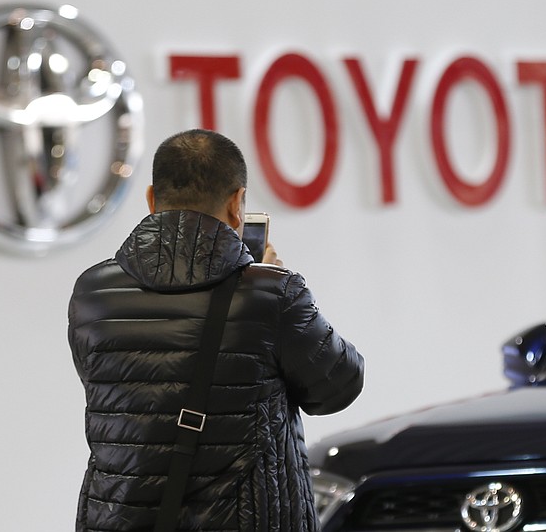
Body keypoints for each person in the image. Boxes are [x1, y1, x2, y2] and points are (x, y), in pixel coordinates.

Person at [68, 129, 364, 532]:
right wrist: (279, 280)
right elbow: (339, 385)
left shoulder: (93, 293)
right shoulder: (272, 295)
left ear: (152, 200)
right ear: (237, 203)